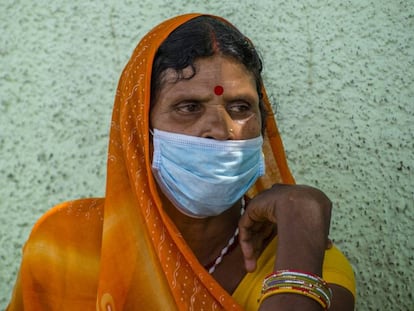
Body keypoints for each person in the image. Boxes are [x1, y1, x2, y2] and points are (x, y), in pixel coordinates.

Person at [7, 13, 355, 310]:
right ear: (141, 133)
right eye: (188, 107)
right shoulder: (63, 248)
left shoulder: (304, 260)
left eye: (240, 108)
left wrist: (301, 225)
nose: (220, 131)